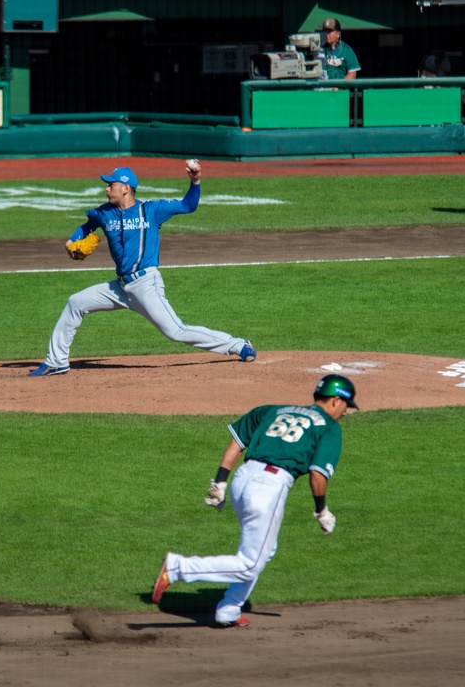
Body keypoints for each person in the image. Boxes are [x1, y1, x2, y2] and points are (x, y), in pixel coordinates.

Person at [151, 374, 358, 628]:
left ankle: (229, 609)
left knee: (264, 550)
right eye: (347, 406)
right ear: (336, 401)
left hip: (241, 480)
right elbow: (317, 475)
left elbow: (236, 444)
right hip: (268, 488)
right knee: (249, 564)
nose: (346, 413)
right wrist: (322, 511)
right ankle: (177, 568)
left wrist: (219, 483)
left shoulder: (272, 410)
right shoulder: (328, 427)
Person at [29, 163, 256, 377]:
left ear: (125, 188)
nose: (107, 189)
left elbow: (188, 205)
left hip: (146, 284)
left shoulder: (152, 210)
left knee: (176, 331)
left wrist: (195, 181)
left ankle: (238, 345)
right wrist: (71, 242)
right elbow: (88, 225)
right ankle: (56, 361)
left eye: (111, 185)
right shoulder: (105, 212)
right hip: (120, 287)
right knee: (75, 302)